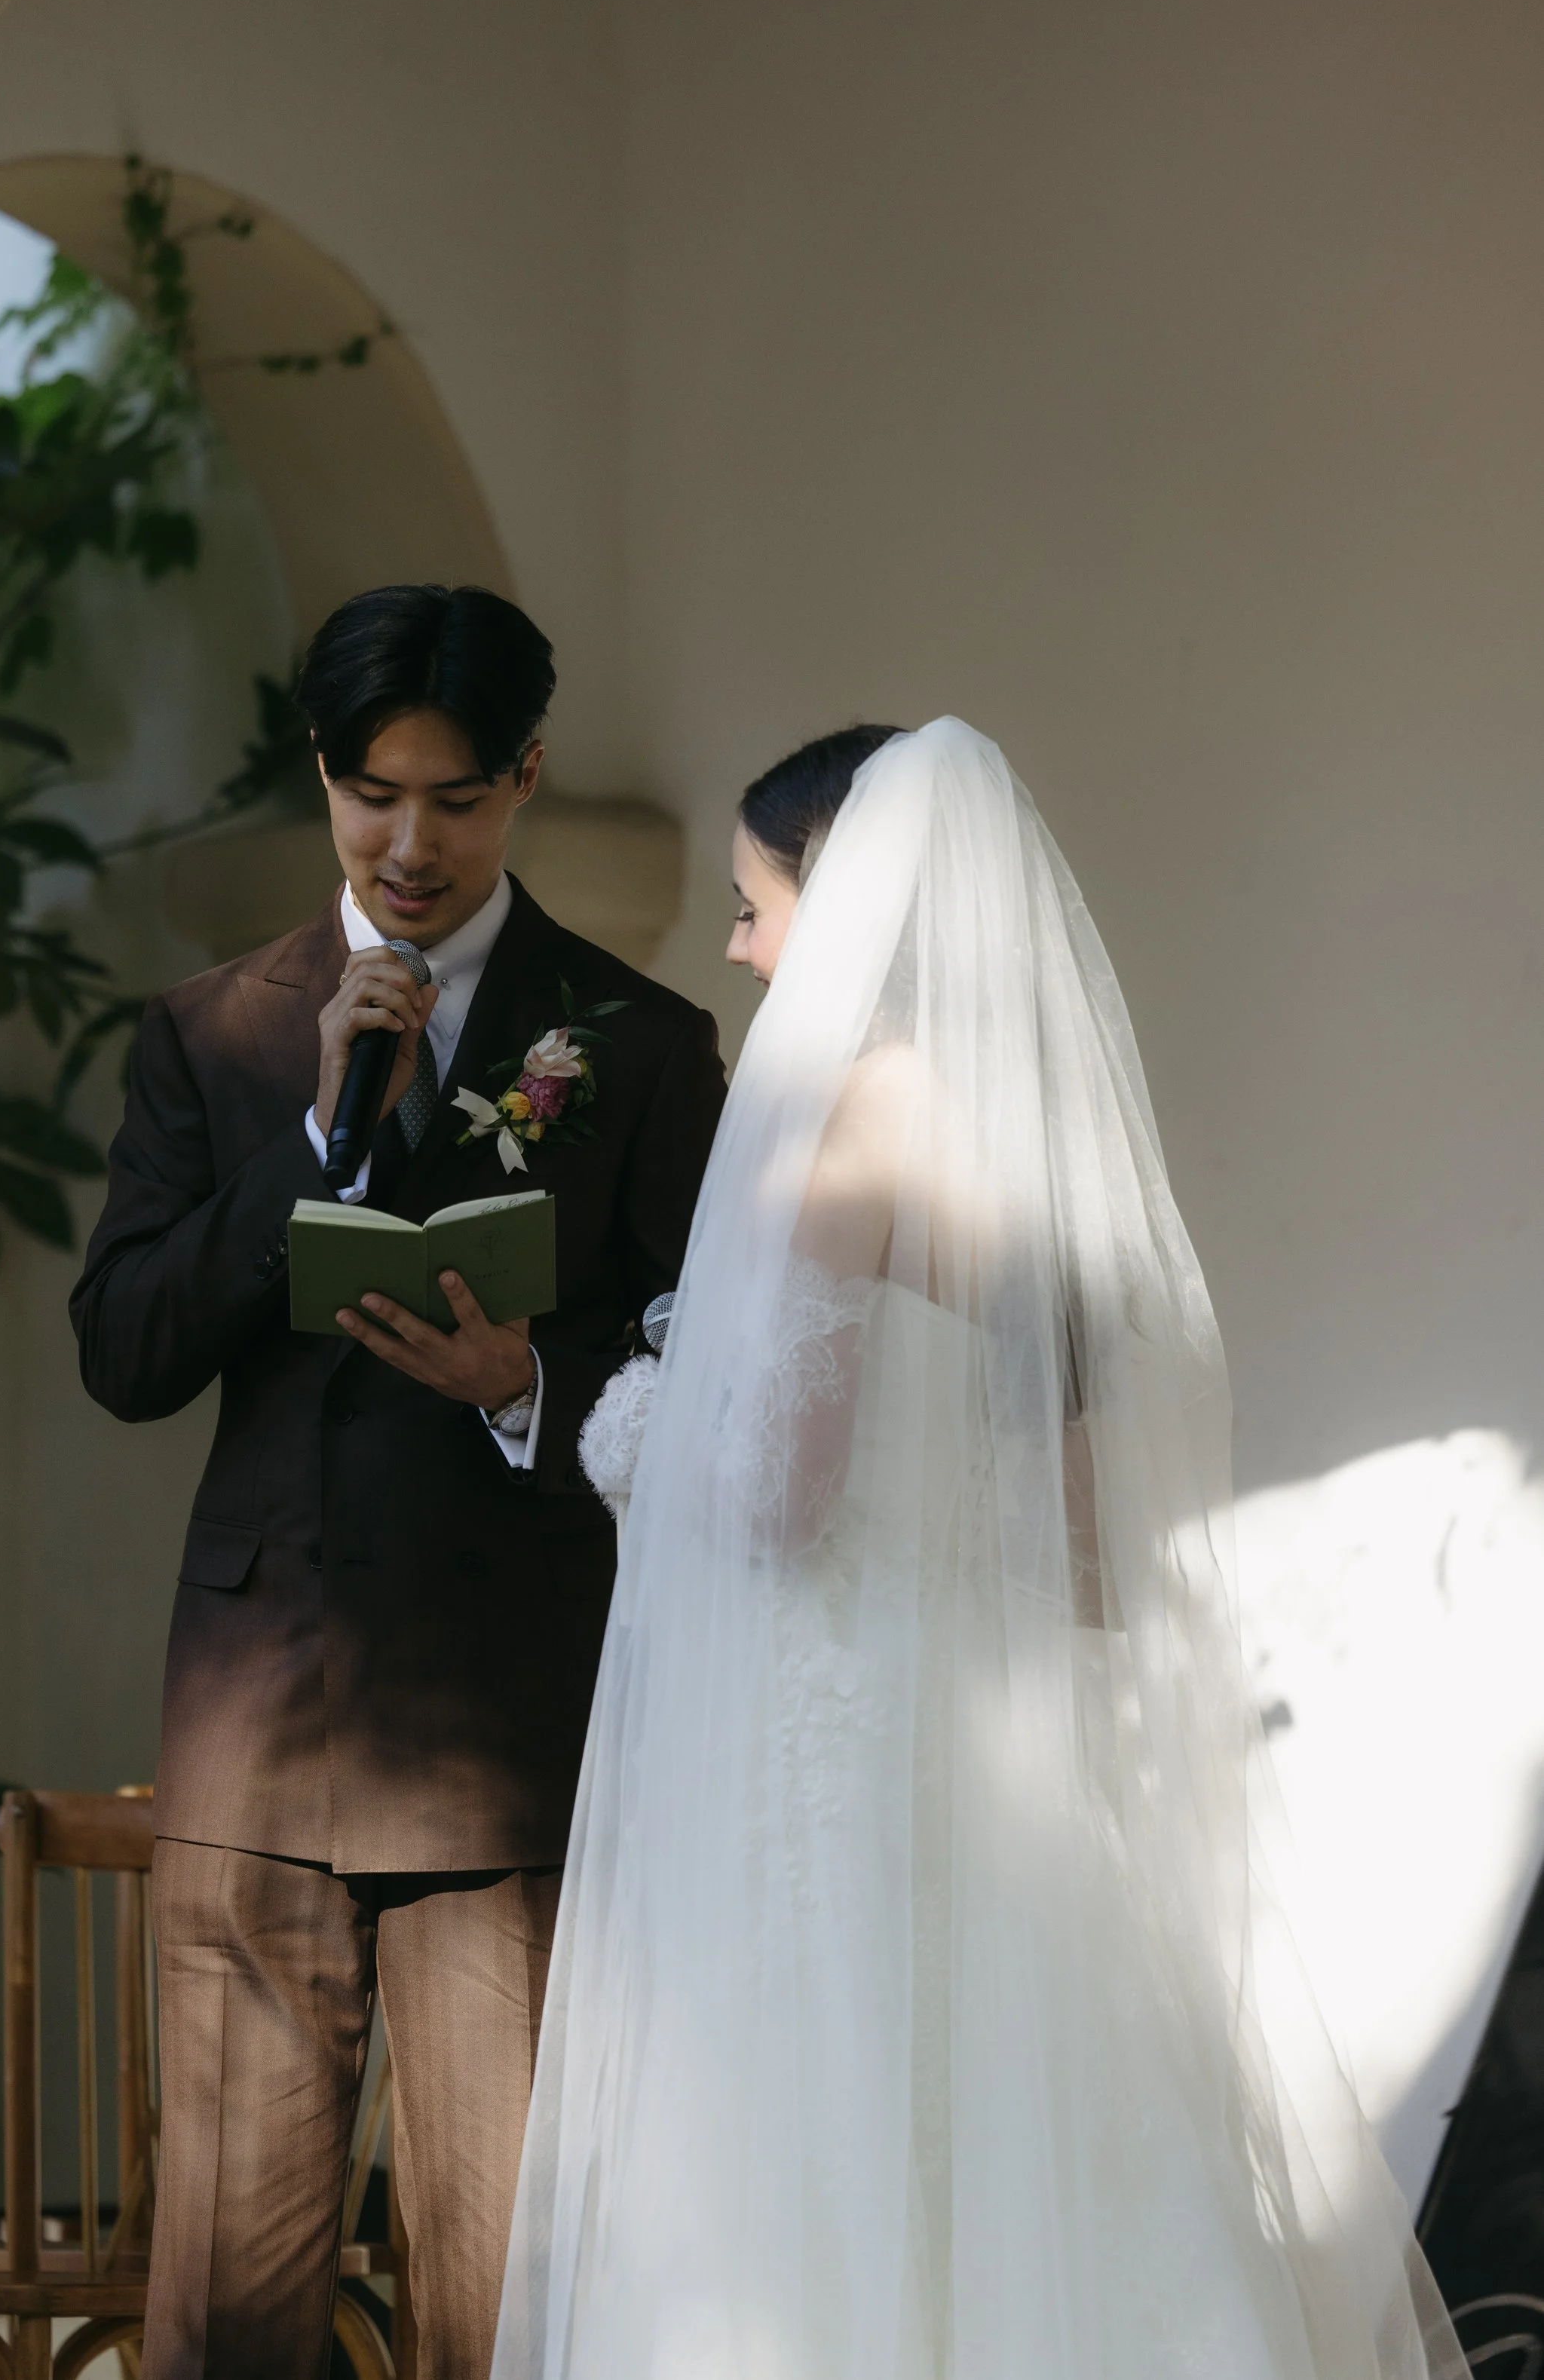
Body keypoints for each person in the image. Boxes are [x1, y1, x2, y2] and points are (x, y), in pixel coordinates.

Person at [493, 717, 1466, 2380]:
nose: (734, 941)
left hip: (828, 1715)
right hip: (971, 1714)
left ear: (843, 896)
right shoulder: (1007, 1131)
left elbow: (780, 1490)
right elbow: (1065, 1473)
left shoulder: (837, 1128)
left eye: (751, 899)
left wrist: (626, 1427)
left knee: (818, 2137)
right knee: (1020, 2121)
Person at [70, 584, 725, 2380]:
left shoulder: (643, 1043)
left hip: (507, 1736)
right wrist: (301, 1141)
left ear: (525, 775)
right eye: (371, 795)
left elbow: (718, 1382)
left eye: (455, 797)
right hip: (255, 1732)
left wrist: (527, 1382)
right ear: (322, 776)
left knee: (507, 2299)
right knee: (223, 2313)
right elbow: (122, 1349)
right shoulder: (207, 1032)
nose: (410, 843)